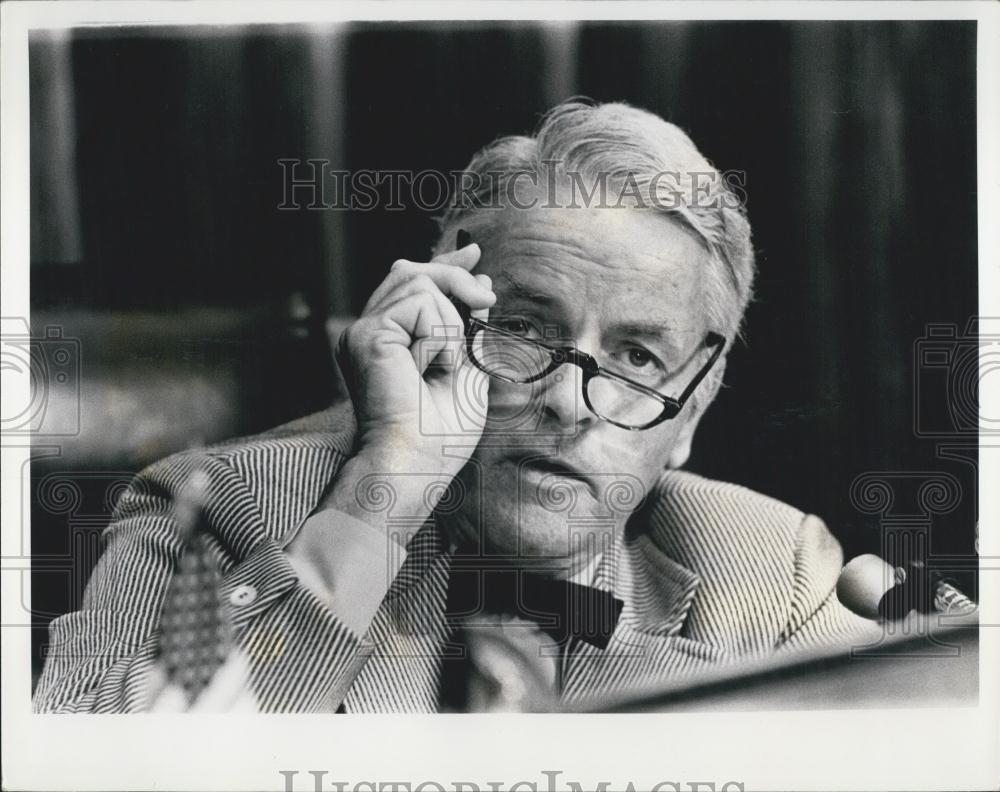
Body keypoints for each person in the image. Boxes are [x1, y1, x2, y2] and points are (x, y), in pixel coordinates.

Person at [33, 100, 878, 713]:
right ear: (438, 321)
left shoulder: (774, 573)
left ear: (688, 419)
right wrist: (389, 487)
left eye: (636, 357)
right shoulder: (213, 511)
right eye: (521, 329)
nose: (565, 403)